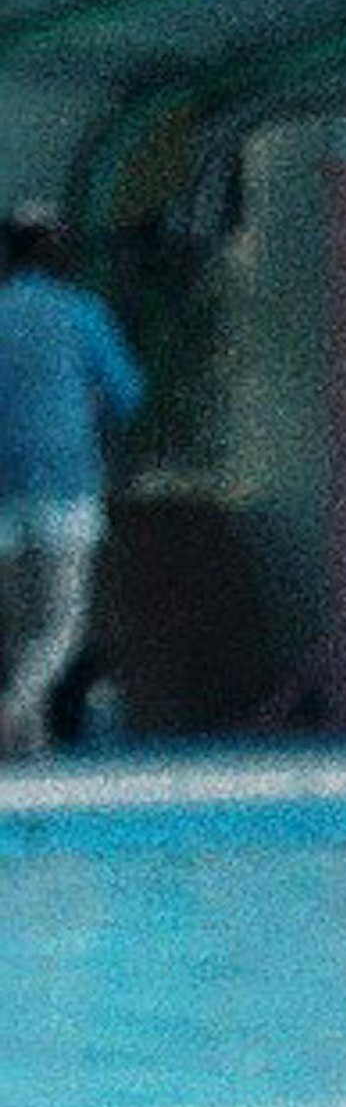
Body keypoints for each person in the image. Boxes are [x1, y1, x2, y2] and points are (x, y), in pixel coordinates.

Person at [0, 205, 143, 759]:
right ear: (55, 251)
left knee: (18, 627)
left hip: (3, 488)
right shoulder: (81, 313)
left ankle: (28, 753)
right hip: (65, 484)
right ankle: (14, 707)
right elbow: (127, 392)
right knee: (60, 623)